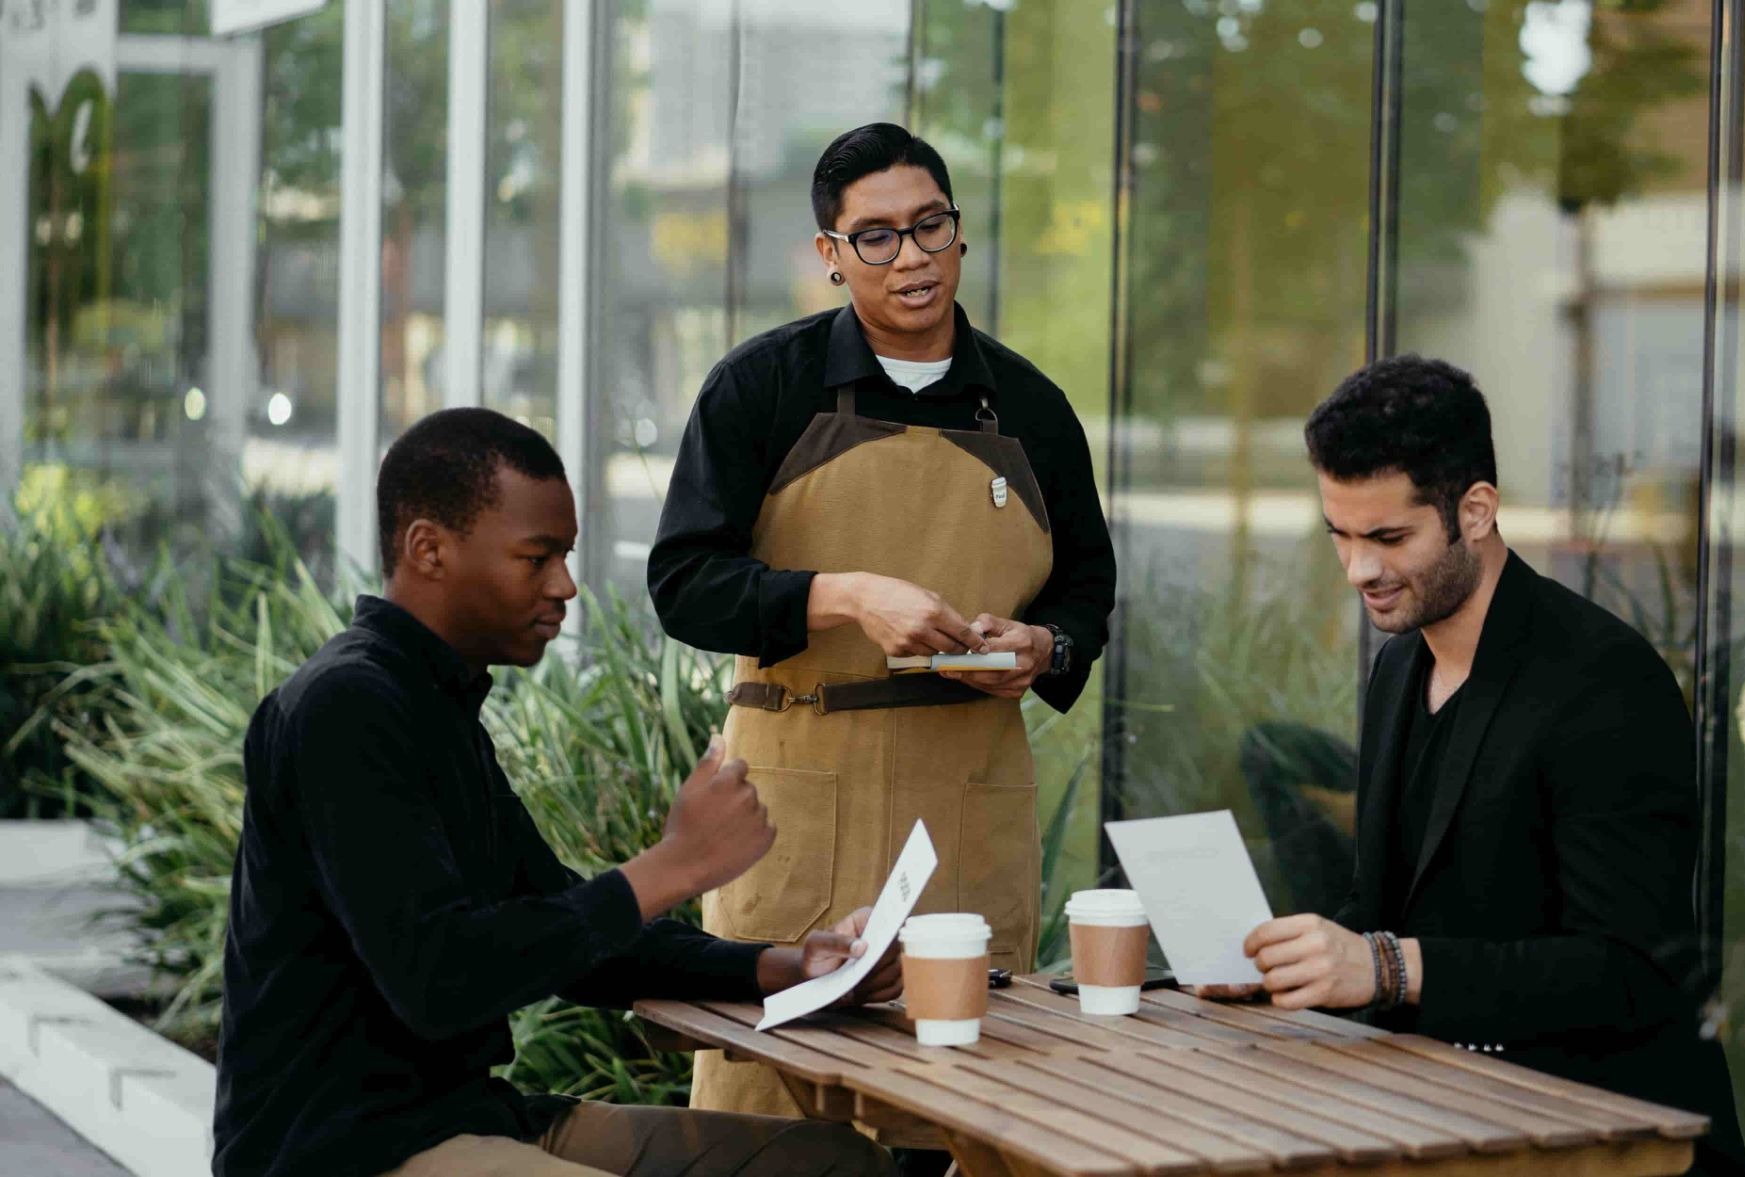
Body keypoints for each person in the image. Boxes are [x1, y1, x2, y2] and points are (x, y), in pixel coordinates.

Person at [212, 409, 901, 1177]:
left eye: (564, 556)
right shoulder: (346, 708)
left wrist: (783, 967)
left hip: (470, 1119)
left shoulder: (436, 706)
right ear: (427, 550)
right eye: (536, 557)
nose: (565, 585)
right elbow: (438, 980)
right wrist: (672, 865)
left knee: (834, 1164)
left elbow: (567, 932)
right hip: (347, 1152)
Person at [647, 122, 1115, 1117]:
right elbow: (683, 581)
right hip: (793, 800)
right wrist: (846, 593)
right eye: (875, 236)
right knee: (765, 1104)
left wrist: (1042, 645)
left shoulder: (1031, 408)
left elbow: (1086, 591)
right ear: (829, 255)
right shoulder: (758, 389)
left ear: (958, 231)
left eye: (928, 225)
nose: (909, 256)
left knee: (968, 1099)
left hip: (966, 802)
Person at [1206, 356, 1745, 1175]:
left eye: (1390, 537)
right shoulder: (1399, 667)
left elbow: (1633, 970)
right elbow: (1395, 899)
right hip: (1444, 1111)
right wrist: (1284, 963)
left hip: (1609, 1140)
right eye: (1341, 536)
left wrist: (1387, 966)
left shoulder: (1605, 681)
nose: (1360, 570)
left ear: (1477, 510)